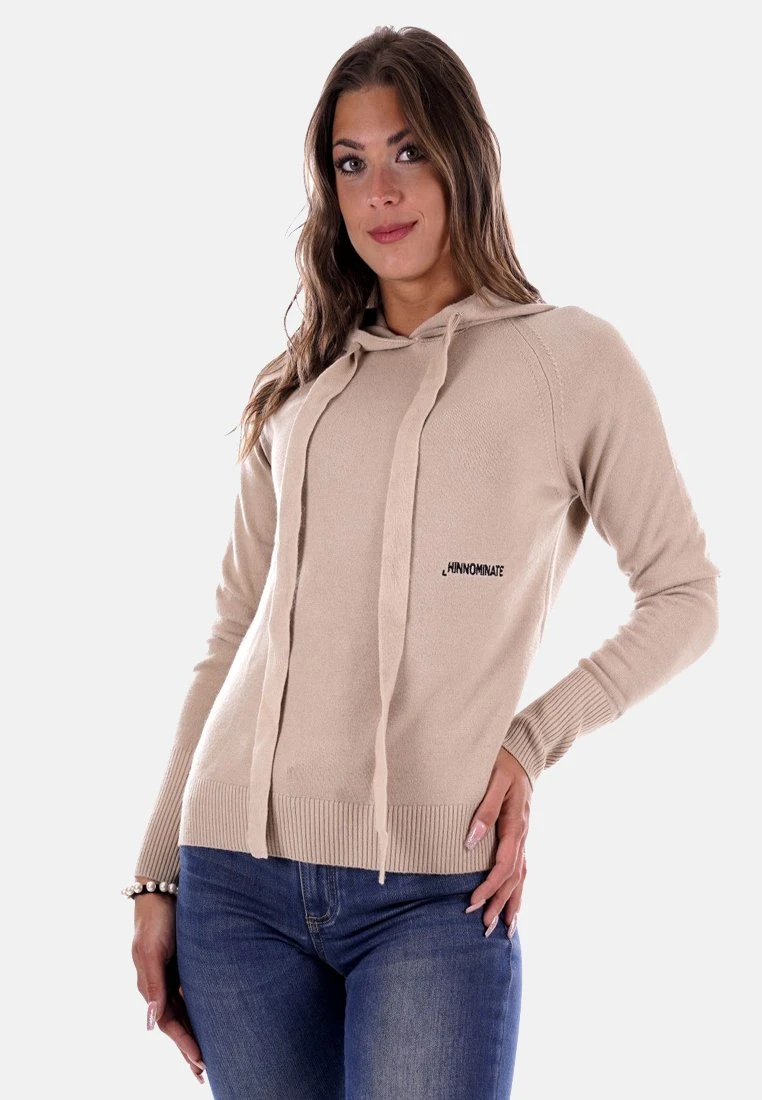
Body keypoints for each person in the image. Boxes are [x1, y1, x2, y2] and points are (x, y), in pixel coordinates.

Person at [125, 24, 721, 1100]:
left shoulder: (569, 359)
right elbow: (229, 631)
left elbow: (685, 596)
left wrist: (530, 742)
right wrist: (157, 866)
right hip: (235, 888)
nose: (381, 191)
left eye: (408, 151)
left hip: (438, 894)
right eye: (351, 162)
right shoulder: (303, 390)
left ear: (465, 158)